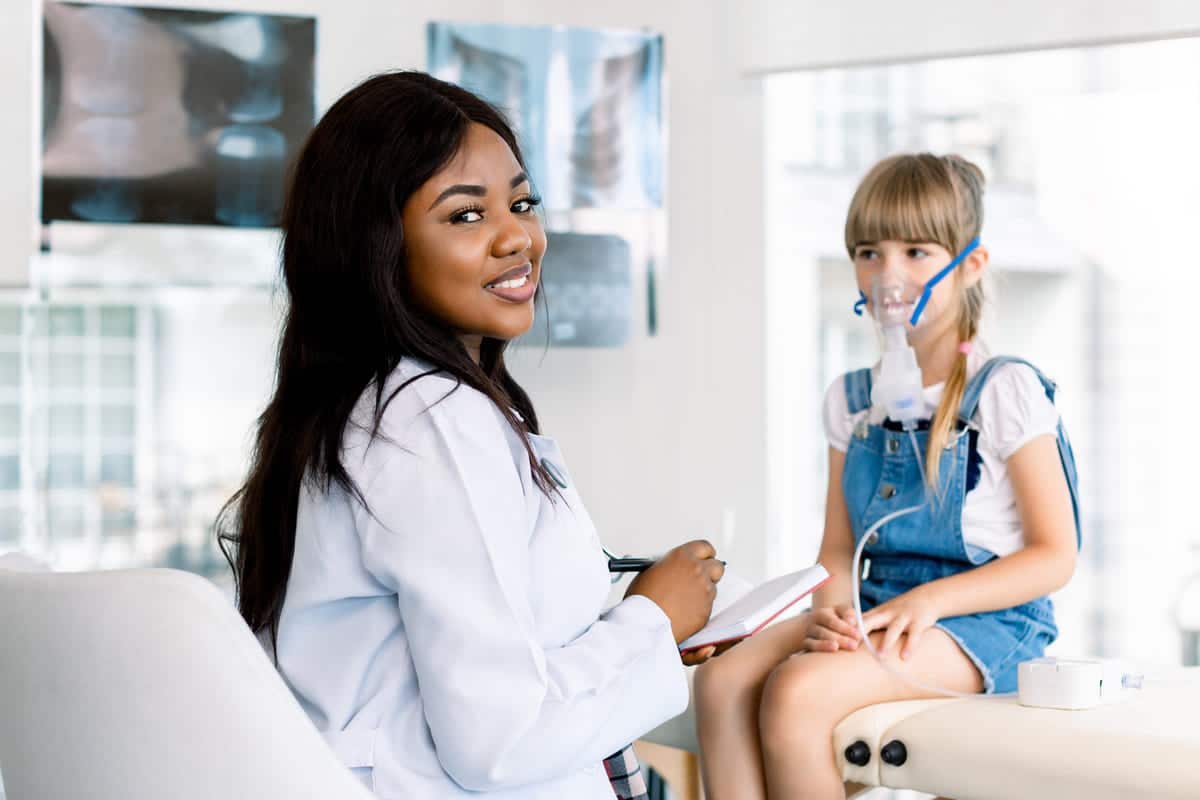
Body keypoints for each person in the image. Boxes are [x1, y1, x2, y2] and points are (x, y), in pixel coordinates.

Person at [217, 71, 724, 800]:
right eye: (464, 216)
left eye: (521, 203)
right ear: (376, 246)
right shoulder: (430, 422)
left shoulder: (359, 412)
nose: (516, 236)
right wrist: (653, 619)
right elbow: (503, 740)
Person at [693, 153, 1081, 799]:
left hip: (985, 622)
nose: (888, 275)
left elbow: (1054, 556)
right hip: (876, 606)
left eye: (917, 252)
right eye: (868, 252)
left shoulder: (1004, 390)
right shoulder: (851, 399)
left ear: (970, 264)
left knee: (797, 691)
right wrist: (834, 617)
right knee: (723, 681)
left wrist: (929, 602)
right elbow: (840, 548)